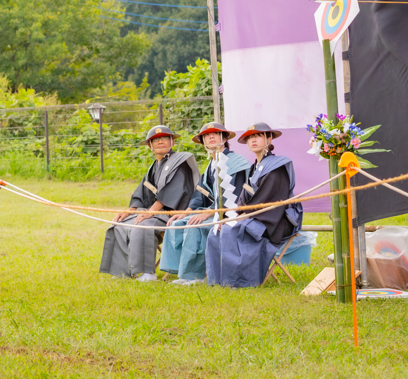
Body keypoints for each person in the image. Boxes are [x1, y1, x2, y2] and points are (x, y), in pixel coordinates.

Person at [206, 122, 303, 288]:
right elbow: (243, 200)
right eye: (250, 137)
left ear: (269, 138)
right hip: (256, 215)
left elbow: (270, 201)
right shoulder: (254, 169)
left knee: (232, 229)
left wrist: (241, 218)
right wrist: (231, 216)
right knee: (216, 230)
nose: (253, 140)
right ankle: (218, 280)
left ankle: (238, 281)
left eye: (258, 135)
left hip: (276, 219)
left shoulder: (277, 166)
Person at [100, 125, 198, 281]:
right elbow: (142, 192)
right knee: (119, 225)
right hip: (154, 211)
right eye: (156, 139)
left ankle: (148, 273)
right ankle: (123, 271)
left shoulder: (180, 162)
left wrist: (150, 212)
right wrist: (129, 211)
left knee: (144, 225)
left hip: (173, 213)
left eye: (165, 138)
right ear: (150, 146)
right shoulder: (154, 166)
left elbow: (173, 192)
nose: (160, 141)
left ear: (172, 141)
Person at [161, 122, 250, 285]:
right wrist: (187, 211)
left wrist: (208, 213)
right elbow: (200, 193)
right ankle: (179, 270)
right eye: (206, 135)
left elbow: (235, 198)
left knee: (196, 226)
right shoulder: (211, 165)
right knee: (178, 222)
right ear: (202, 141)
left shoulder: (236, 163)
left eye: (215, 134)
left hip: (231, 214)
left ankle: (196, 276)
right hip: (213, 210)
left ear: (224, 138)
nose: (210, 137)